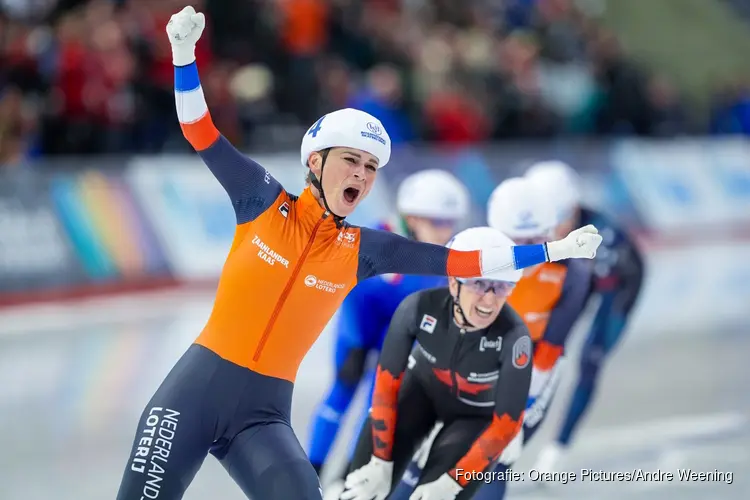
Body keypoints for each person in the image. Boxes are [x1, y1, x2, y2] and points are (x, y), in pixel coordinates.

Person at [115, 7, 602, 500]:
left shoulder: (364, 250)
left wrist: (552, 249)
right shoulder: (260, 200)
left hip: (261, 417)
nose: (361, 176)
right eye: (351, 160)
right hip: (195, 394)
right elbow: (201, 131)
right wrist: (183, 55)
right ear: (315, 161)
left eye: (370, 167)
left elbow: (463, 264)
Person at [387, 177, 594, 500]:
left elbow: (548, 353)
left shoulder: (572, 273)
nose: (528, 248)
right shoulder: (473, 253)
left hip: (530, 368)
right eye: (517, 239)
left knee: (493, 460)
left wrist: (515, 416)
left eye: (536, 238)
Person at [341, 227, 534, 500]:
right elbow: (385, 390)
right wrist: (380, 461)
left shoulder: (515, 337)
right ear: (454, 282)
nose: (490, 300)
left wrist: (452, 483)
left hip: (472, 418)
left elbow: (506, 425)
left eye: (501, 287)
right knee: (360, 491)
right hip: (419, 396)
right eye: (479, 283)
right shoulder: (417, 308)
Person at [307, 170, 470, 485]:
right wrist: (354, 344)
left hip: (396, 331)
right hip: (358, 324)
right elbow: (349, 293)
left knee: (377, 403)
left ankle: (345, 477)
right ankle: (311, 470)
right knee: (342, 389)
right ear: (410, 217)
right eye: (437, 222)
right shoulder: (377, 241)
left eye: (451, 222)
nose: (446, 230)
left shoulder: (447, 257)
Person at [524, 161, 645, 476]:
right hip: (577, 271)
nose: (549, 230)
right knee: (543, 343)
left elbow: (599, 306)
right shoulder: (538, 227)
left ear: (574, 208)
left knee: (590, 358)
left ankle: (558, 448)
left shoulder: (606, 239)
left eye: (557, 220)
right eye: (542, 222)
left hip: (617, 283)